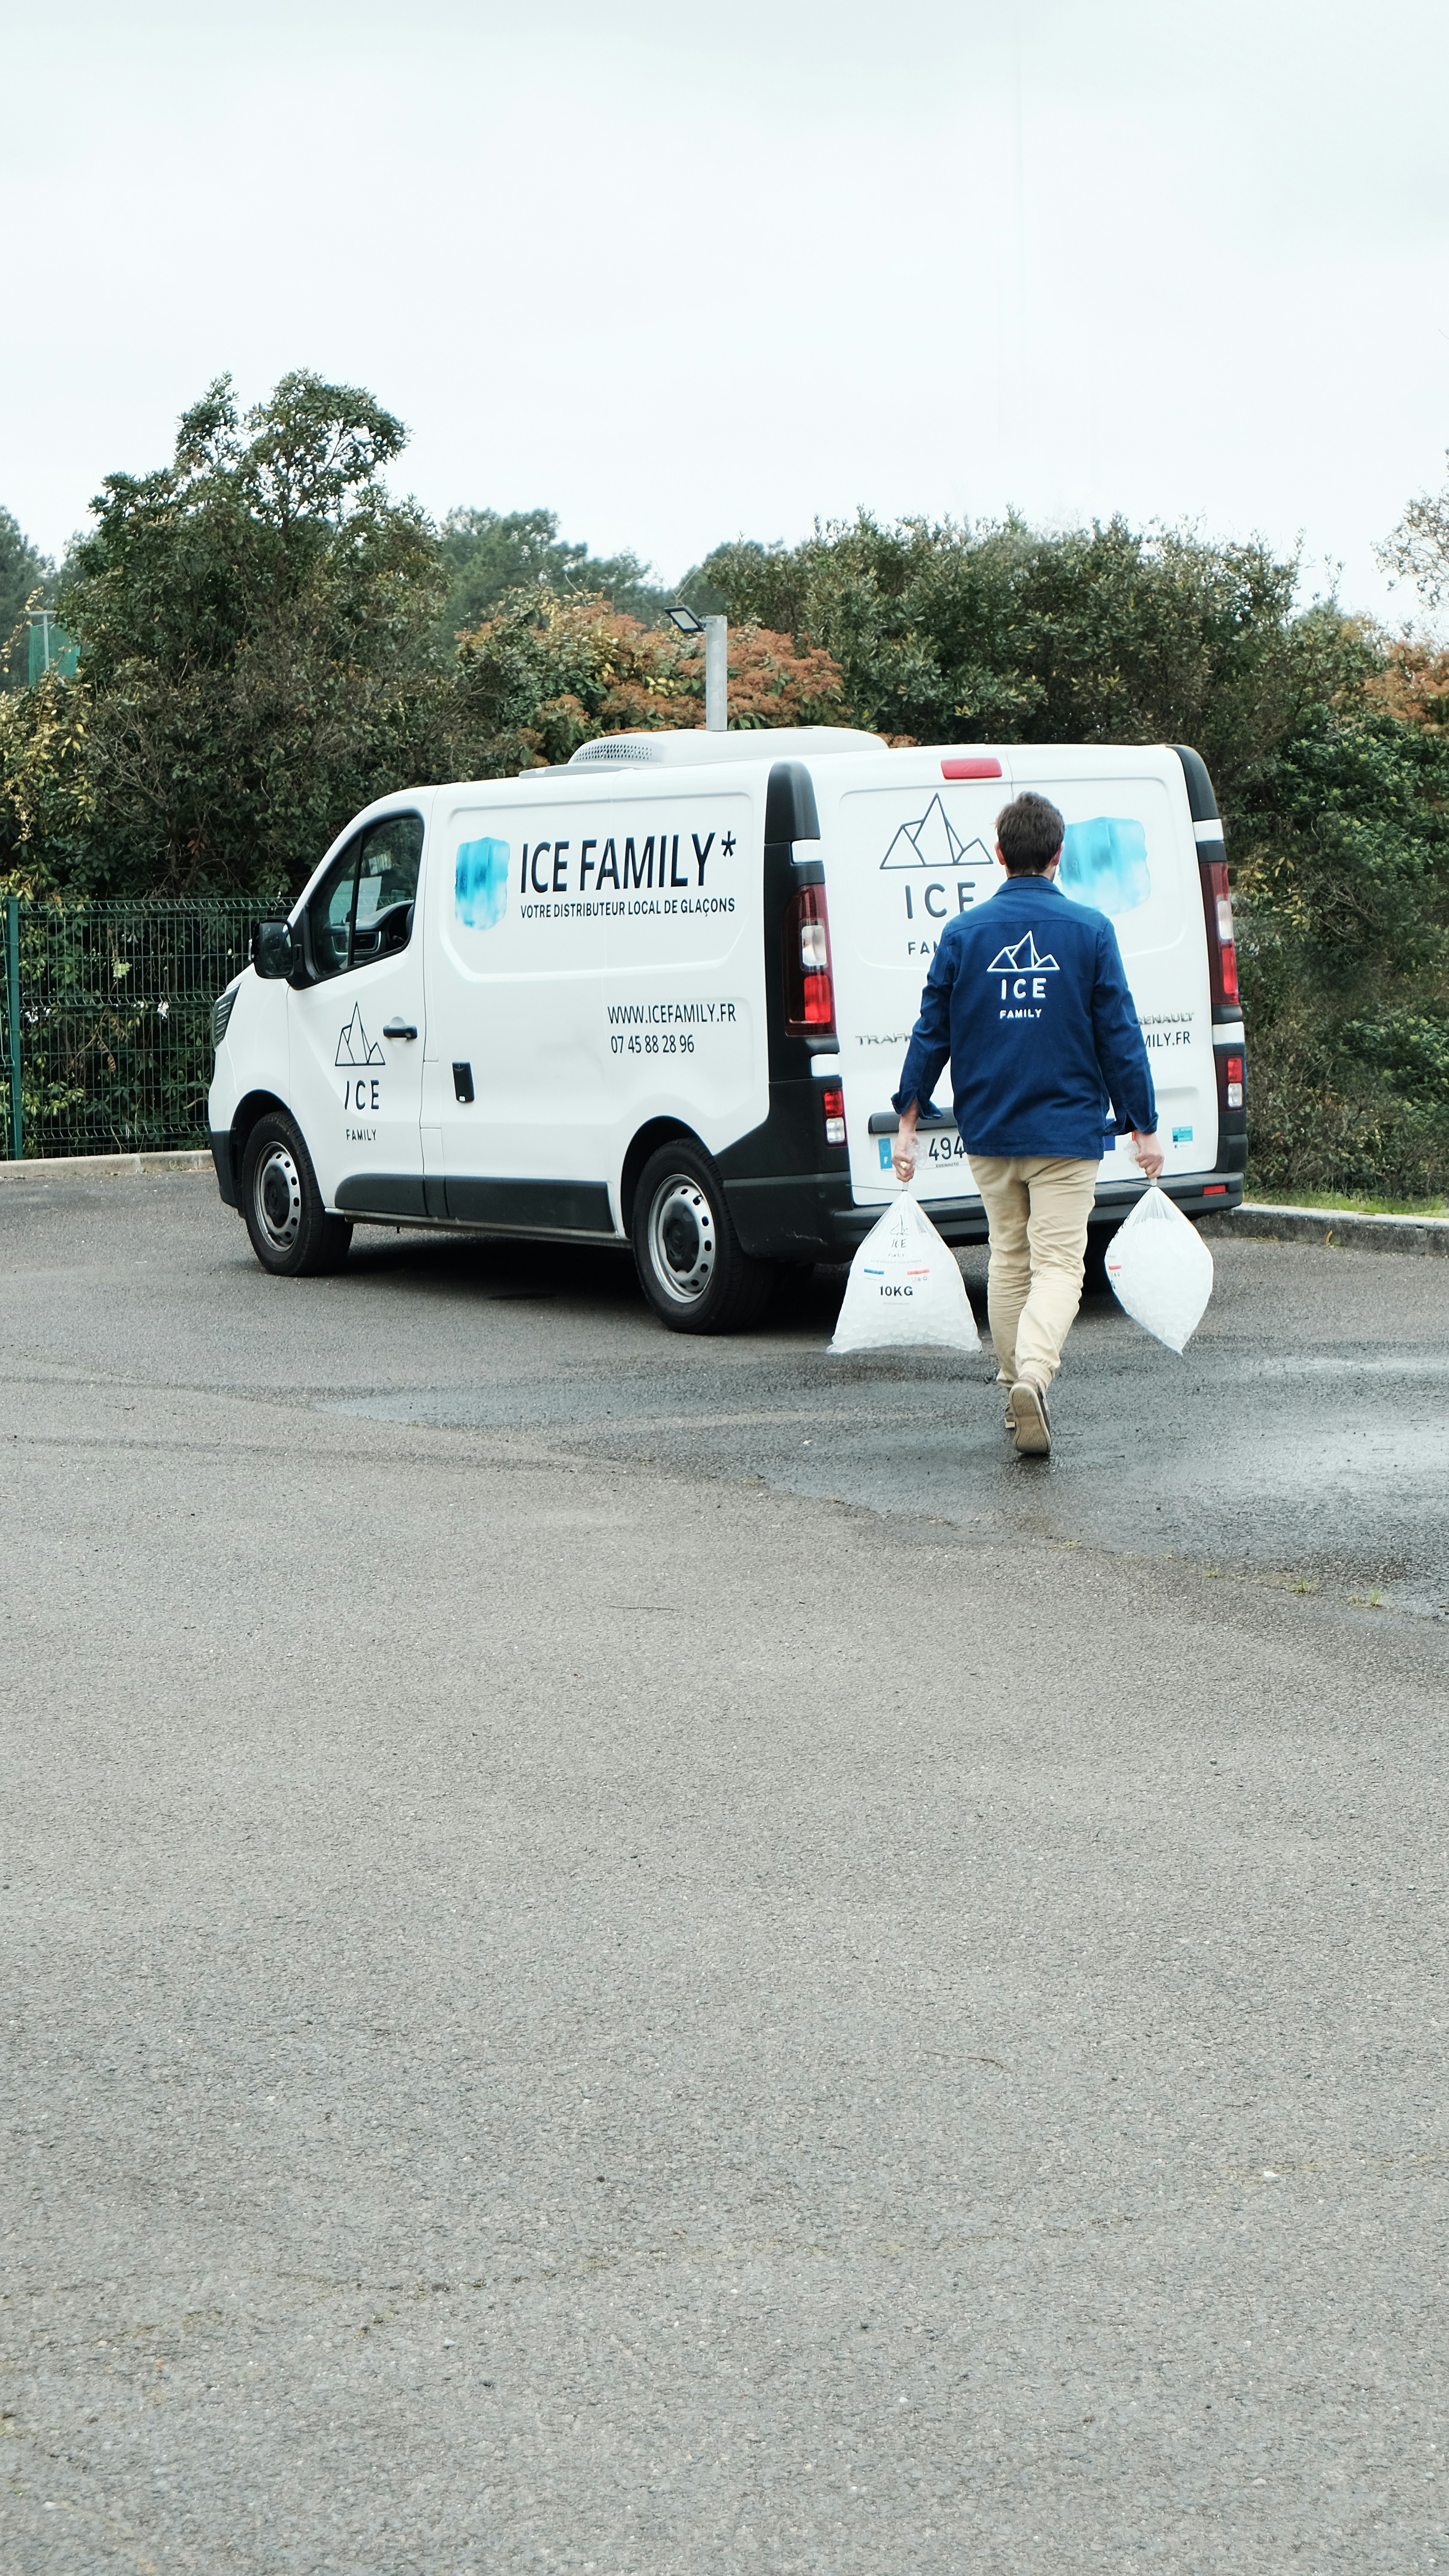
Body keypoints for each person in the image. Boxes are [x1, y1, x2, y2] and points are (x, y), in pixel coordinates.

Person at [892, 790, 1162, 1456]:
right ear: (1059, 855)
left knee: (1009, 1258)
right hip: (1066, 1134)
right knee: (1061, 1265)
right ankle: (1035, 1377)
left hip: (989, 1130)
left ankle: (1015, 1394)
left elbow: (932, 1032)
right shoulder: (1091, 931)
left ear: (999, 853)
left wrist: (907, 1119)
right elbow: (1119, 1036)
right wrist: (1143, 1125)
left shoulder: (962, 935)